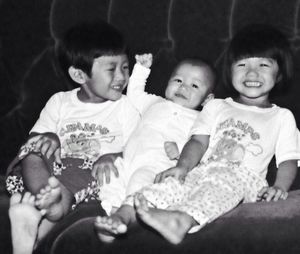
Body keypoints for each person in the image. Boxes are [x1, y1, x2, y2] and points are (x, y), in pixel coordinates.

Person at [105, 23, 300, 245]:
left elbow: (288, 160)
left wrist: (280, 188)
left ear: (280, 73)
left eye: (264, 64)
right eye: (242, 64)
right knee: (167, 186)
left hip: (243, 178)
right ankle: (123, 216)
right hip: (203, 169)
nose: (251, 72)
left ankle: (181, 221)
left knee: (217, 188)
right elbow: (198, 141)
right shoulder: (216, 106)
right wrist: (182, 167)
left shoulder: (281, 116)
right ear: (231, 70)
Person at [6, 21, 140, 254]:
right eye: (111, 69)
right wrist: (49, 137)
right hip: (53, 172)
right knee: (33, 149)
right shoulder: (59, 101)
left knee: (74, 172)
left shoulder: (125, 107)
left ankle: (45, 214)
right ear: (79, 74)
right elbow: (37, 136)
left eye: (126, 67)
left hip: (91, 170)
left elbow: (138, 146)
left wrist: (114, 156)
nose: (122, 76)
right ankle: (43, 201)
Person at [95, 53, 216, 242]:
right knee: (109, 176)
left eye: (194, 85)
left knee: (139, 180)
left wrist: (179, 152)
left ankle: (125, 217)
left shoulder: (199, 121)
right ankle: (113, 213)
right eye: (178, 80)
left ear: (207, 100)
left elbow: (203, 148)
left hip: (155, 167)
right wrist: (142, 69)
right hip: (128, 160)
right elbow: (134, 94)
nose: (183, 87)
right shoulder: (155, 102)